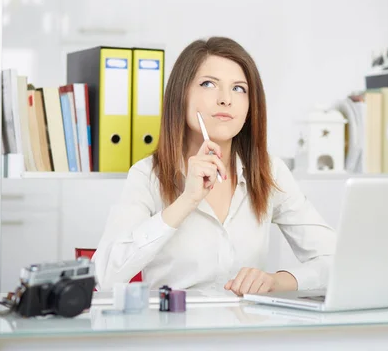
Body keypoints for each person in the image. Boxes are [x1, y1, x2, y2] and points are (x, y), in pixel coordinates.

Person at [92, 37, 336, 296]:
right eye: (209, 84)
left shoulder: (269, 171)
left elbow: (336, 260)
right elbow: (105, 275)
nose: (225, 99)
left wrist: (277, 281)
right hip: (174, 330)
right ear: (181, 95)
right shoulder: (147, 175)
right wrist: (187, 200)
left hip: (246, 332)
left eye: (239, 88)